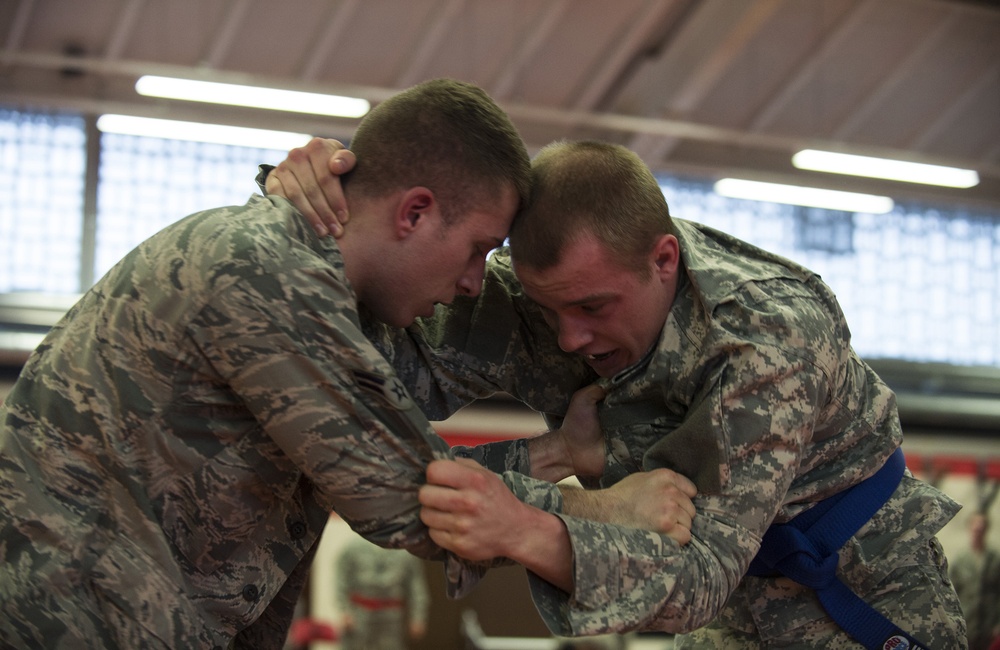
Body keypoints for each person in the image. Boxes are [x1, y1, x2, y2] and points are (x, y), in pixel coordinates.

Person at [270, 137, 967, 648]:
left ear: (664, 261)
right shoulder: (553, 295)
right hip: (735, 612)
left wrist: (530, 529)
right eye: (551, 312)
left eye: (594, 309)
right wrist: (316, 201)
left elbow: (699, 577)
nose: (572, 339)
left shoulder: (766, 339)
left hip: (859, 600)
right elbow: (361, 354)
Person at [0, 78, 538, 649]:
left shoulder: (348, 308)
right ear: (415, 212)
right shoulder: (264, 270)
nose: (475, 282)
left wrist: (563, 453)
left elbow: (409, 453)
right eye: (478, 249)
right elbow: (409, 500)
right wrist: (606, 508)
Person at [335, 534, 429, 650]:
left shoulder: (405, 552)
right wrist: (345, 611)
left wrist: (417, 618)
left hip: (390, 618)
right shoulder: (353, 547)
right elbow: (341, 580)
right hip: (360, 615)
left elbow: (416, 587)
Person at [950, 512, 1000, 650]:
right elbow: (951, 594)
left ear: (986, 530)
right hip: (966, 621)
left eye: (981, 529)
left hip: (989, 624)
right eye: (975, 528)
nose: (978, 532)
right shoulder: (960, 560)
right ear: (970, 529)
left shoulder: (995, 560)